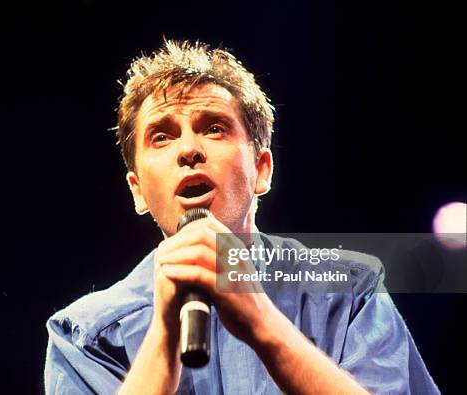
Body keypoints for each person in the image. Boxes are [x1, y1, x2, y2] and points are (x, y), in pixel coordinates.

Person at [44, 39, 439, 394]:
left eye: (214, 128)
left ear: (262, 170)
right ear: (137, 189)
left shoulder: (349, 292)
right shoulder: (86, 333)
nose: (188, 150)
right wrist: (163, 337)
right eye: (161, 135)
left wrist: (261, 321)